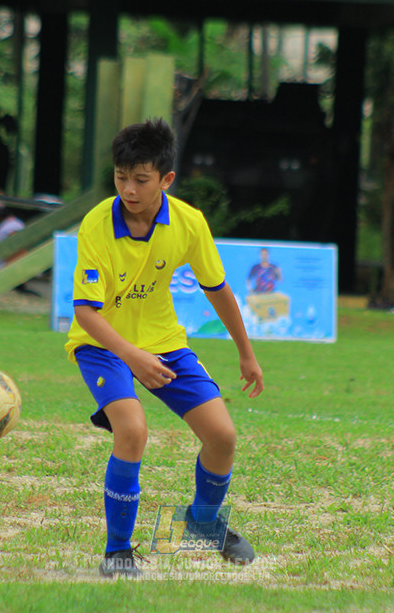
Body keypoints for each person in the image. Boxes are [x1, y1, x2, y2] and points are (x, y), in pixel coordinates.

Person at [66, 118, 264, 578]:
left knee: (223, 437)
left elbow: (217, 288)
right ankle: (118, 551)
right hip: (102, 345)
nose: (128, 189)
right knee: (132, 430)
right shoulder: (97, 224)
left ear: (166, 179)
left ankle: (203, 521)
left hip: (164, 343)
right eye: (121, 177)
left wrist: (246, 352)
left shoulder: (188, 223)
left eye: (140, 179)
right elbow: (86, 313)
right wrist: (132, 356)